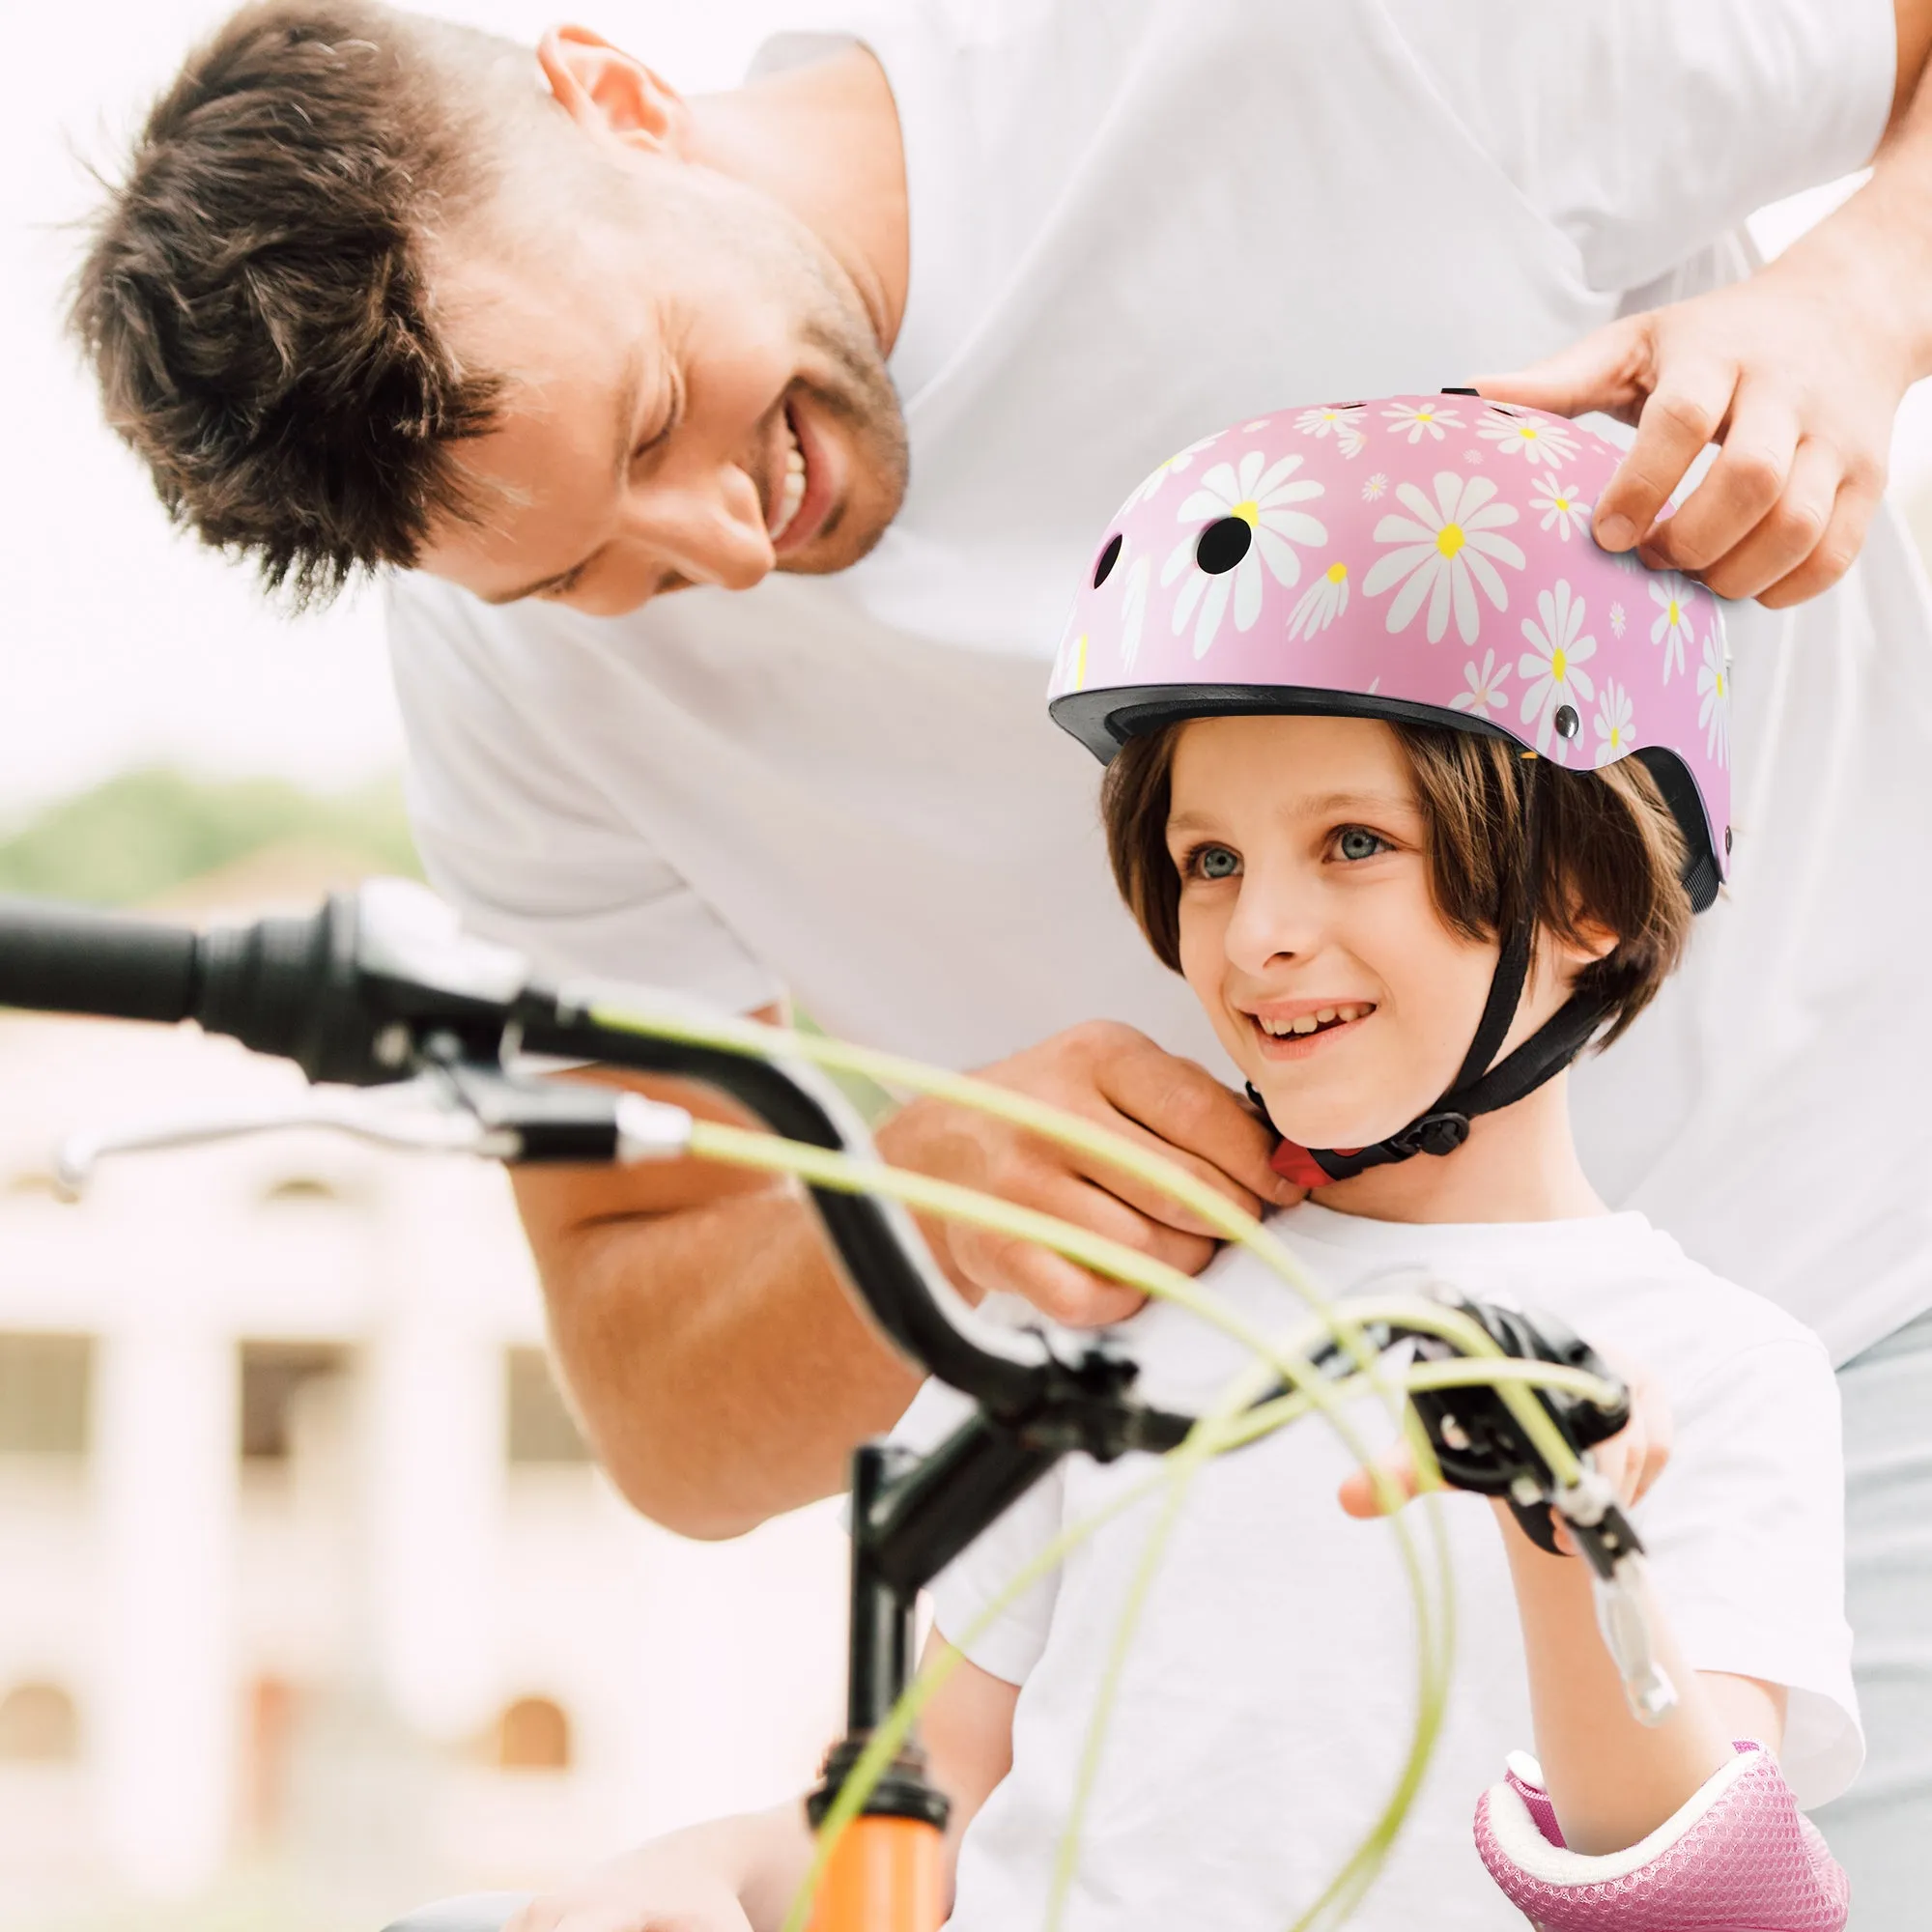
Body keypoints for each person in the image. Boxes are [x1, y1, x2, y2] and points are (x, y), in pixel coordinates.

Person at [70, 0, 1932, 1909]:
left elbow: (1694, 1875)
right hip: (1207, 1362)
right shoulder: (510, 675)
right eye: (581, 572)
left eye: (650, 416)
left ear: (615, 94)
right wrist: (915, 1199)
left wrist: (1856, 304)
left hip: (1864, 1275)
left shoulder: (1332, 50)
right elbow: (674, 1419)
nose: (711, 552)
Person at [499, 403, 1859, 1932]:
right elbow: (916, 1811)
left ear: (1591, 890)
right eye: (1211, 860)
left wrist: (1571, 1542)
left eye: (1353, 843)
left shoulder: (1717, 1373)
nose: (1257, 931)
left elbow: (1711, 1905)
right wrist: (708, 1876)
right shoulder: (1097, 1297)